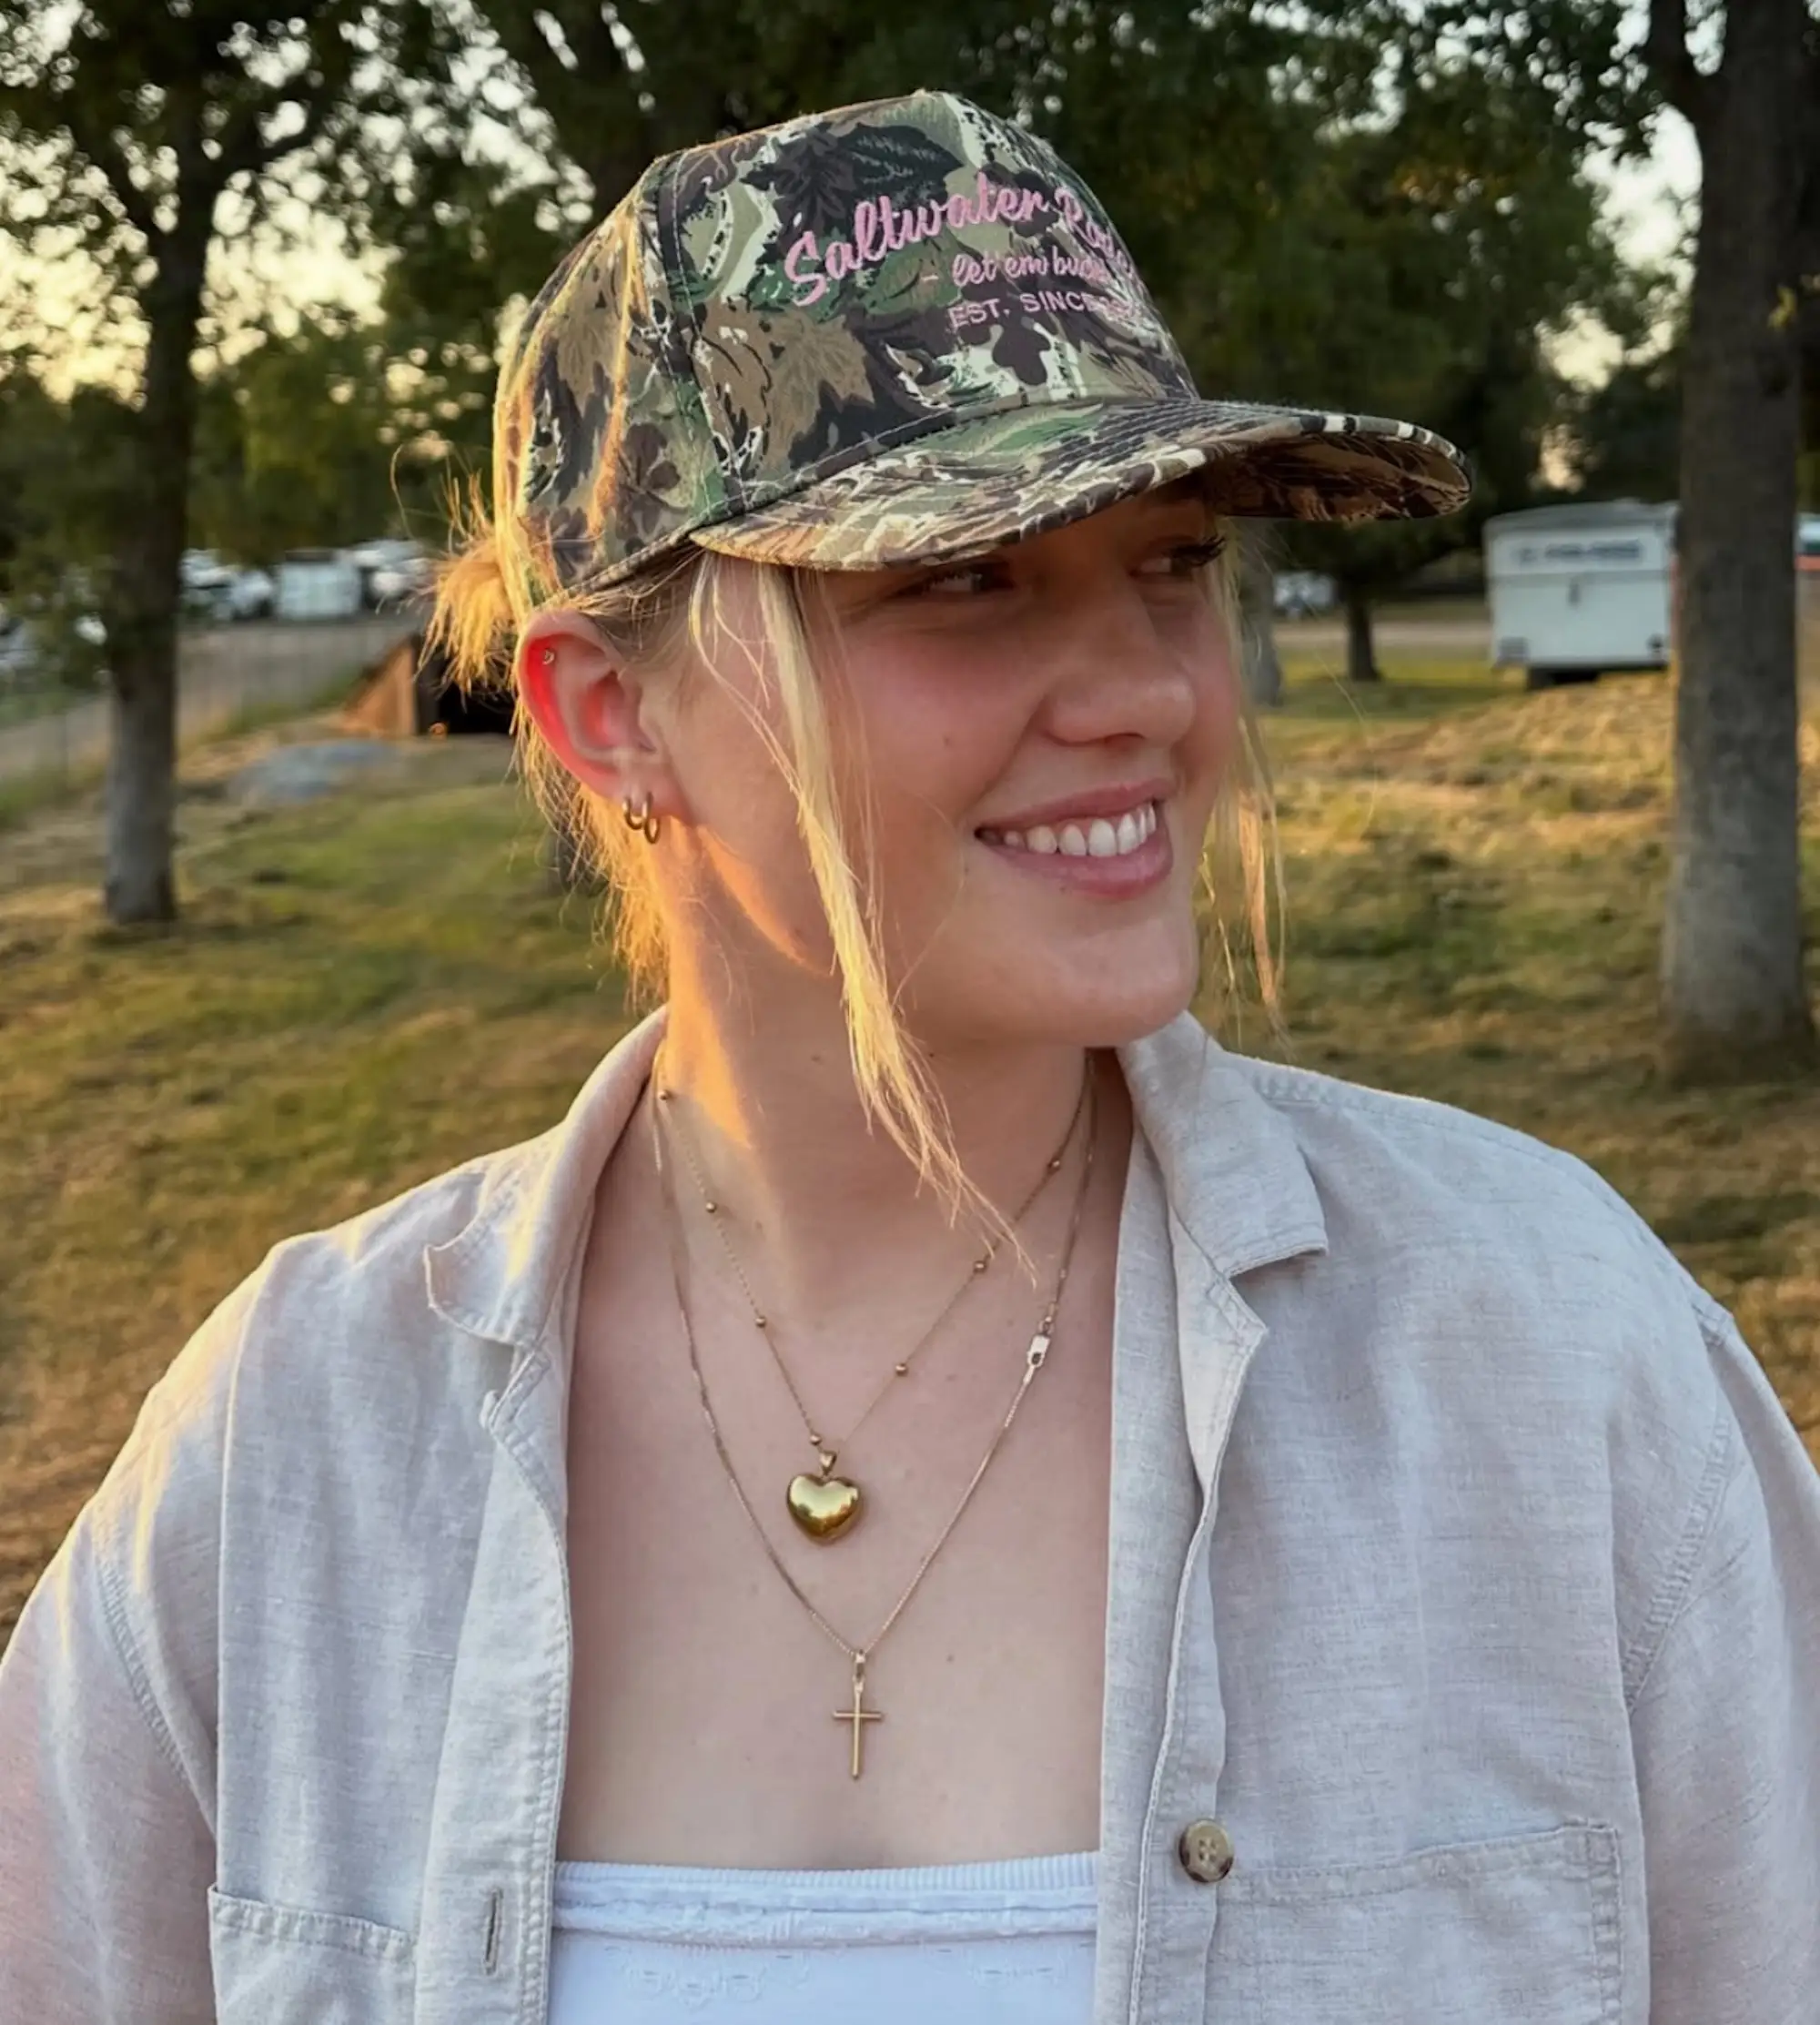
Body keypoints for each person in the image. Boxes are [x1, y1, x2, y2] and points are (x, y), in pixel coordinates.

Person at [1, 86, 1815, 2025]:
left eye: (1173, 565)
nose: (1147, 692)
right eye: (964, 575)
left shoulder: (1550, 1360)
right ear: (611, 713)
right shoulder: (298, 1449)